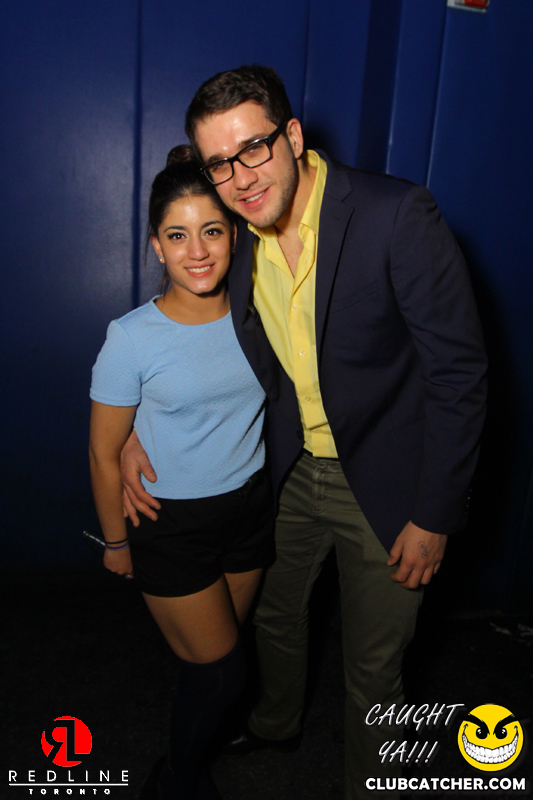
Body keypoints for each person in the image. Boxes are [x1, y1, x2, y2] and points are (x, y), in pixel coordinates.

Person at [121, 66, 488, 800]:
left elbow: (459, 373)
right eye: (220, 162)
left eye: (253, 148)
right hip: (285, 472)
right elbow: (188, 314)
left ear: (291, 136)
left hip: (388, 485)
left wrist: (435, 514)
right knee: (273, 619)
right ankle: (275, 723)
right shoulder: (238, 234)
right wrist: (137, 424)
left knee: (374, 669)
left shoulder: (395, 214)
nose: (240, 177)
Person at [89, 145, 274, 800]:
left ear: (234, 237)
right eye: (177, 235)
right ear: (156, 247)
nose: (197, 251)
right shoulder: (132, 336)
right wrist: (116, 542)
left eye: (212, 231)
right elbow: (103, 451)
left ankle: (187, 758)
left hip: (249, 510)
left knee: (216, 664)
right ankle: (176, 780)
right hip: (169, 524)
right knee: (223, 673)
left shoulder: (260, 314)